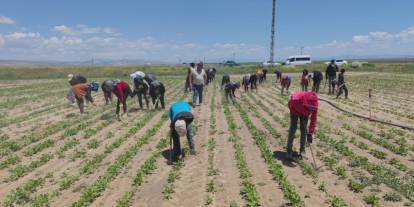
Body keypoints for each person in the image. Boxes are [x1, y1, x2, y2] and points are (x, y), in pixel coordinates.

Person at [286, 91, 318, 159]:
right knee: (293, 127)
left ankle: (302, 150)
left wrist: (310, 132)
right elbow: (290, 106)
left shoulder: (315, 105)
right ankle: (289, 150)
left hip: (304, 111)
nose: (311, 109)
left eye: (312, 108)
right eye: (310, 107)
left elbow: (313, 119)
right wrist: (299, 112)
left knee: (304, 130)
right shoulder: (295, 100)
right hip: (295, 110)